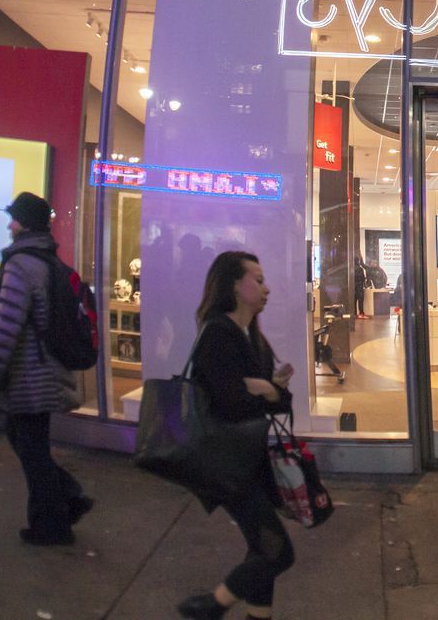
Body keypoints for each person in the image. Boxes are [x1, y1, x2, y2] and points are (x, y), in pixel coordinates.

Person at [175, 251, 296, 620]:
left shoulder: (252, 338)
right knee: (278, 552)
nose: (266, 288)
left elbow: (279, 399)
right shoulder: (218, 333)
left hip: (250, 461)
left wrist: (269, 391)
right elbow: (231, 403)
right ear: (233, 285)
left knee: (261, 547)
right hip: (228, 466)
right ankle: (212, 605)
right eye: (257, 280)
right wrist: (265, 393)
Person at [0, 192, 89, 545]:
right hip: (42, 373)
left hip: (29, 378)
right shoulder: (44, 260)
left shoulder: (21, 266)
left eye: (14, 218)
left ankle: (52, 526)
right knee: (29, 446)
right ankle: (66, 501)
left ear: (25, 224)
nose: (9, 225)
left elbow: (6, 328)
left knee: (32, 453)